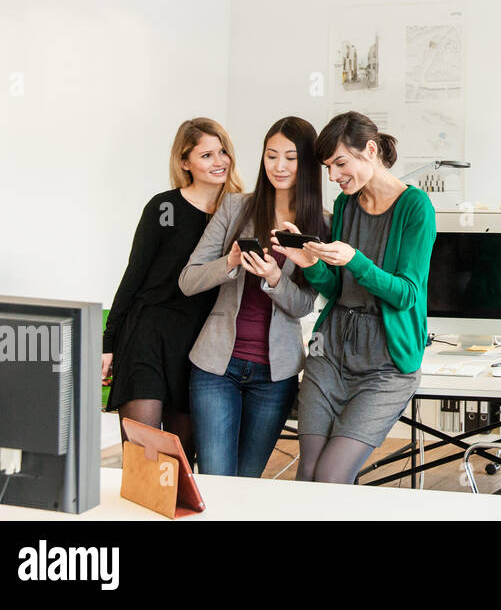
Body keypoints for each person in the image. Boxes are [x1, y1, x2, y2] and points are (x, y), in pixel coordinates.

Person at [273, 111, 436, 484]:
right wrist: (310, 263)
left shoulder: (416, 208)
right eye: (328, 167)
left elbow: (407, 295)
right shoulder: (347, 205)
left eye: (340, 163)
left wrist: (356, 261)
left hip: (386, 363)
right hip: (329, 350)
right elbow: (337, 290)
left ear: (371, 150)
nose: (333, 176)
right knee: (309, 471)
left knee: (331, 475)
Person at [179, 117, 329, 478]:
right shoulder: (235, 208)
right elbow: (188, 280)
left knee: (248, 483)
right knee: (216, 478)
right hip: (216, 367)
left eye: (291, 158)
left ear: (307, 162)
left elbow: (304, 305)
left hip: (274, 374)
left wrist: (276, 277)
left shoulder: (323, 224)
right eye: (271, 155)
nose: (279, 166)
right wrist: (229, 262)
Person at [103, 118, 244, 461]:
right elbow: (133, 277)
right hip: (147, 335)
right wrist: (108, 343)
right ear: (185, 163)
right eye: (207, 155)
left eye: (223, 151)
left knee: (181, 461)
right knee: (144, 457)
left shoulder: (239, 212)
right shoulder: (164, 207)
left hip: (198, 345)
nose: (219, 161)